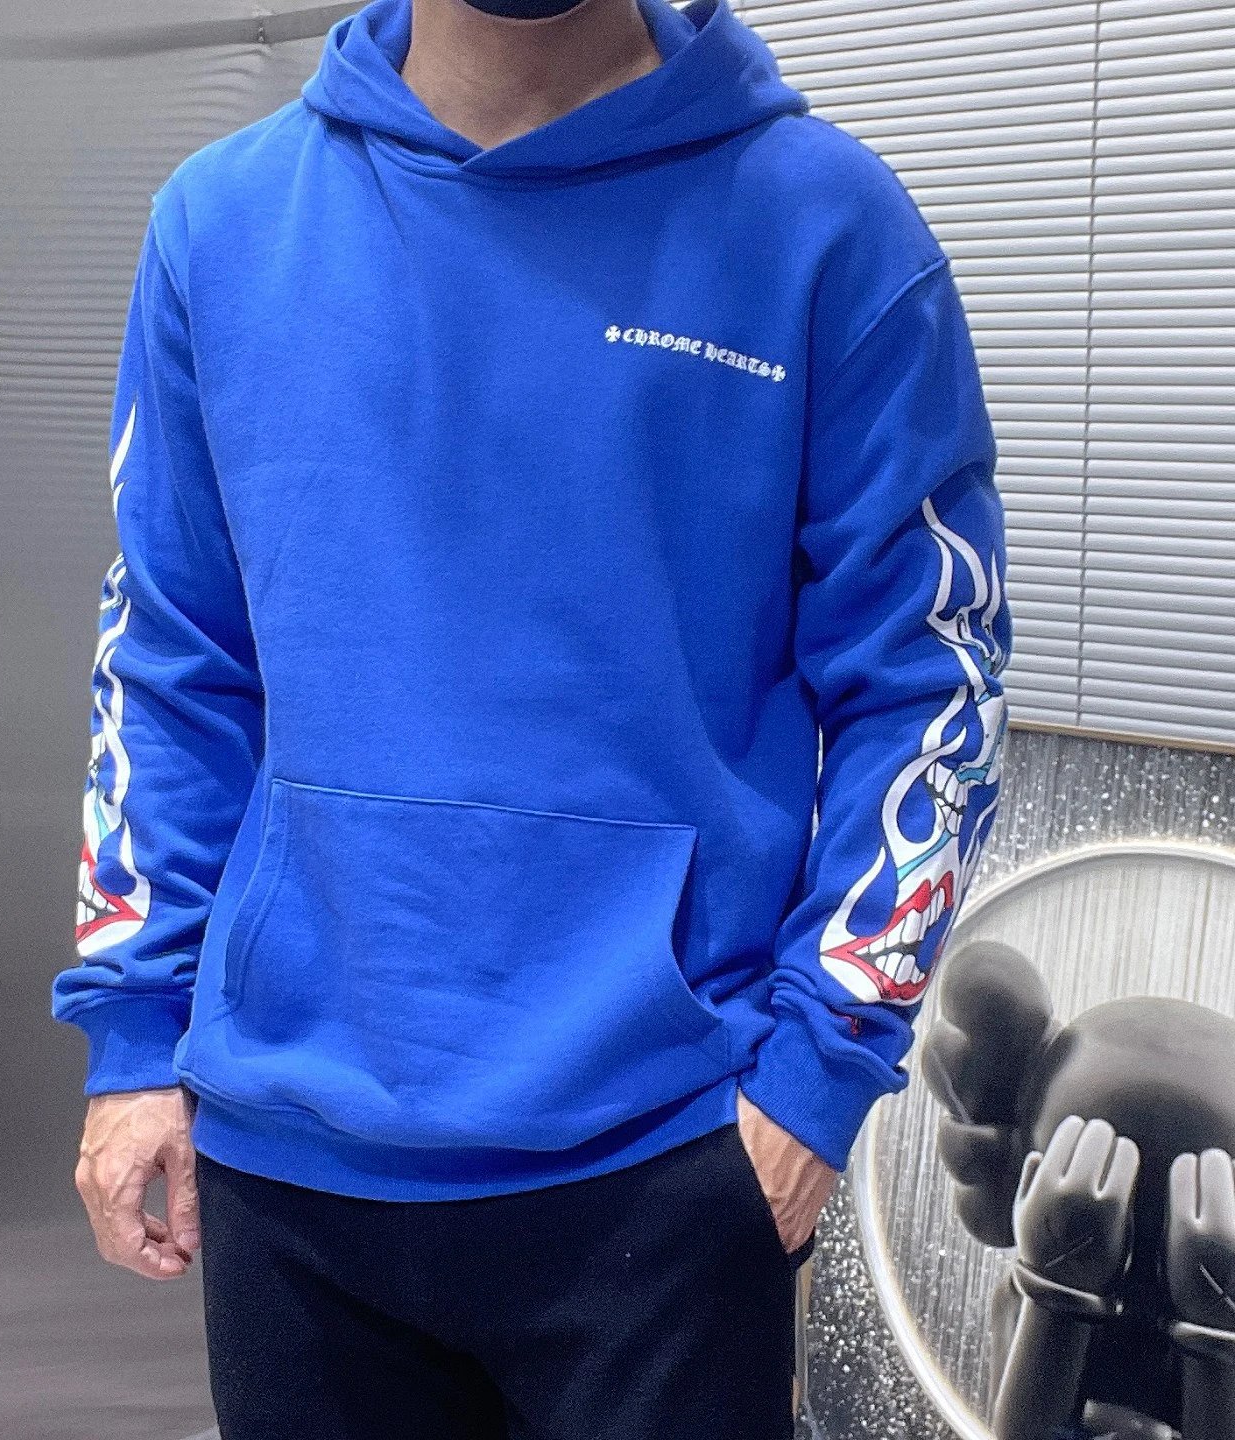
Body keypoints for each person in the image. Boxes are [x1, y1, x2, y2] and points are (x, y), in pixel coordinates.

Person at [52, 0, 1014, 1432]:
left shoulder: (825, 229)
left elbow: (930, 676)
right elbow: (172, 661)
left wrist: (815, 1077)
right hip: (291, 1175)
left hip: (667, 1167)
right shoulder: (224, 224)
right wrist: (136, 1038)